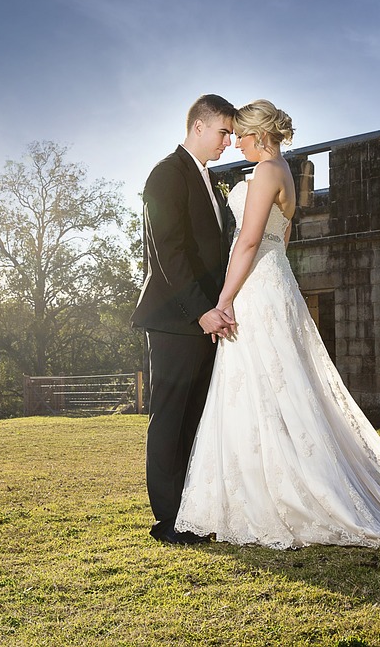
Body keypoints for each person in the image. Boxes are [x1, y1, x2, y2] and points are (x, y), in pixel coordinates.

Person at [175, 99, 380, 549]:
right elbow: (281, 238)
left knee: (262, 383)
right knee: (278, 385)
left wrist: (224, 299)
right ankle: (267, 486)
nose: (234, 143)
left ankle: (272, 495)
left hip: (255, 286)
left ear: (257, 135)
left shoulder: (266, 173)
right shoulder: (287, 171)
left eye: (239, 135)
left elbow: (249, 240)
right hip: (277, 282)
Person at [132, 93, 238, 545]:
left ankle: (191, 512)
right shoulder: (165, 175)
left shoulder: (211, 181)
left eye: (232, 134)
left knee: (196, 418)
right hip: (176, 320)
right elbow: (168, 254)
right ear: (199, 126)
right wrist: (201, 311)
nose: (228, 142)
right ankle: (168, 521)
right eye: (223, 132)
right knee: (170, 418)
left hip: (205, 320)